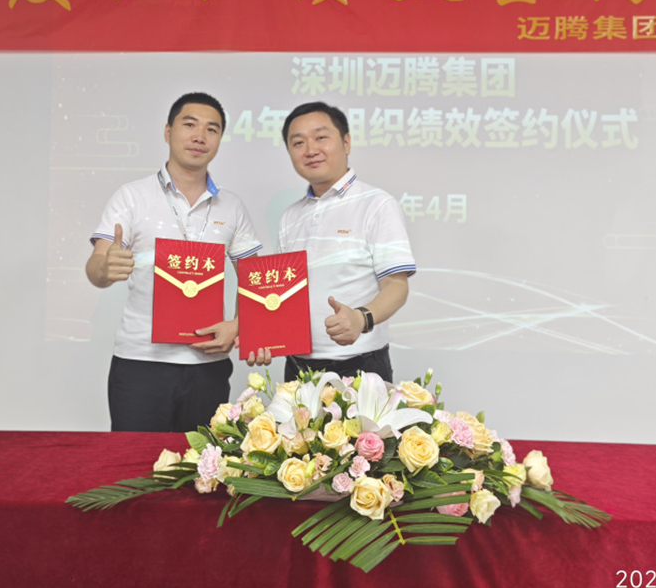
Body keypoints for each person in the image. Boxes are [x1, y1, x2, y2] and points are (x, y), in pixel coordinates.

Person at [86, 92, 261, 432]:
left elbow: (253, 278)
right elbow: (96, 266)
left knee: (205, 462)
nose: (200, 136)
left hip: (209, 363)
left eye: (211, 129)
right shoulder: (132, 196)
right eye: (189, 124)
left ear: (219, 140)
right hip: (141, 362)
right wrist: (105, 269)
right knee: (133, 462)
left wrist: (240, 324)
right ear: (168, 132)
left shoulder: (232, 206)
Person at [275, 101, 415, 381]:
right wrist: (264, 336)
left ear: (346, 142)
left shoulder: (376, 204)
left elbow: (397, 286)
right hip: (298, 368)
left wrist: (362, 318)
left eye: (321, 137)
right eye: (298, 142)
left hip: (359, 368)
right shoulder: (291, 215)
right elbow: (282, 293)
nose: (310, 150)